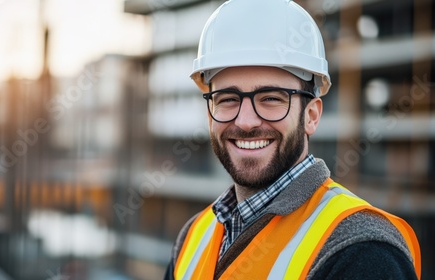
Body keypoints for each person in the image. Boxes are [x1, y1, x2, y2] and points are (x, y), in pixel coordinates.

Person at [164, 0, 421, 279]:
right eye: (227, 99)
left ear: (311, 115)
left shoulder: (363, 251)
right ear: (209, 113)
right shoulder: (192, 237)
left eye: (271, 98)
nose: (246, 121)